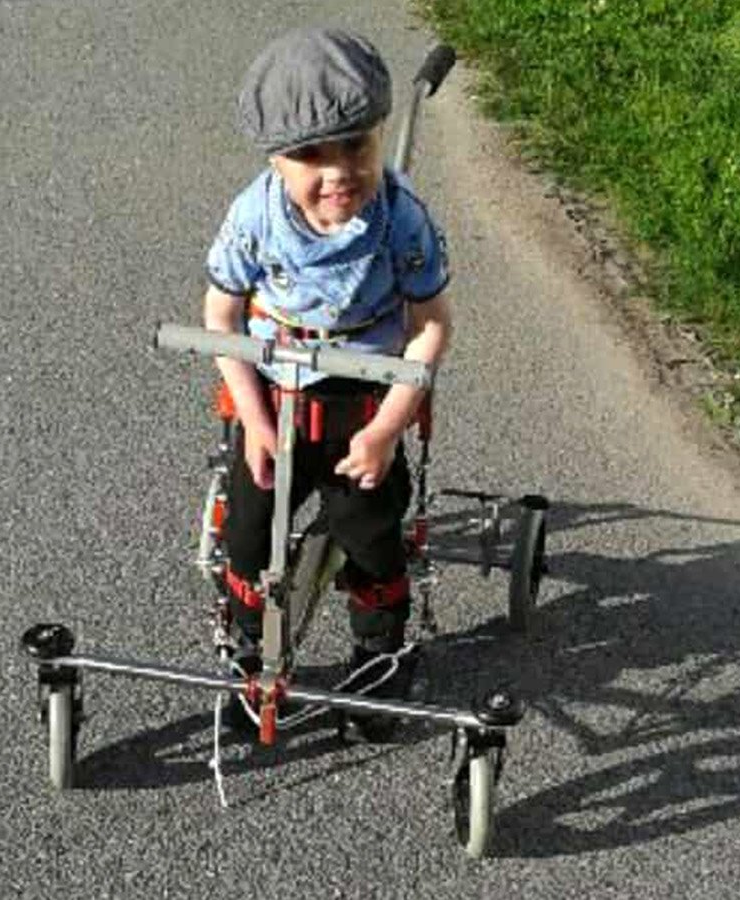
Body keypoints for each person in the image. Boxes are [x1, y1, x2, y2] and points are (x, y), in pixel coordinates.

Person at [203, 28, 452, 733]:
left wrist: (384, 430)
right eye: (312, 156)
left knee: (370, 531)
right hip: (273, 400)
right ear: (275, 158)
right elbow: (221, 314)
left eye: (357, 147)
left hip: (363, 399)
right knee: (249, 535)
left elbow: (431, 326)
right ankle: (249, 653)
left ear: (379, 136)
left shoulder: (401, 219)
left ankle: (380, 654)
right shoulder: (255, 218)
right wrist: (252, 421)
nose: (338, 172)